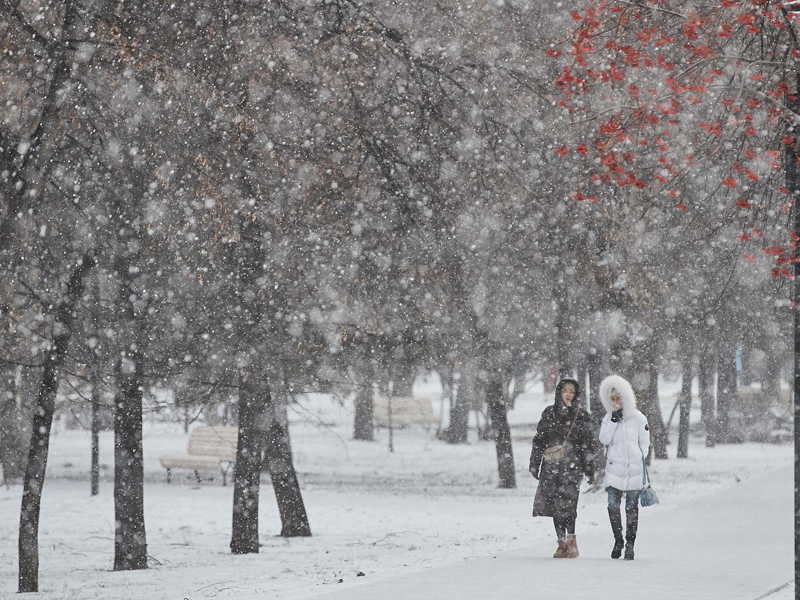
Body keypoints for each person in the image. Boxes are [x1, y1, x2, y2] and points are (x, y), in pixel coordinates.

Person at [529, 378, 597, 558]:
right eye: (565, 391)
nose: (568, 394)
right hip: (551, 466)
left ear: (576, 395)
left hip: (573, 468)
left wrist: (590, 469)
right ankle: (561, 543)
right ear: (559, 392)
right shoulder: (549, 413)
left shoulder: (581, 416)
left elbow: (588, 444)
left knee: (568, 502)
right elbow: (539, 440)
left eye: (571, 391)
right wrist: (535, 464)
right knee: (553, 504)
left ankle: (571, 541)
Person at [598, 374, 650, 560]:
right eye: (612, 399)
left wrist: (638, 457)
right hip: (614, 470)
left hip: (633, 471)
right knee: (612, 506)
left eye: (618, 398)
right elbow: (603, 439)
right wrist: (613, 421)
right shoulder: (608, 418)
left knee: (631, 508)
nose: (616, 402)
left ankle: (630, 543)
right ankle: (618, 539)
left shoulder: (638, 418)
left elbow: (645, 443)